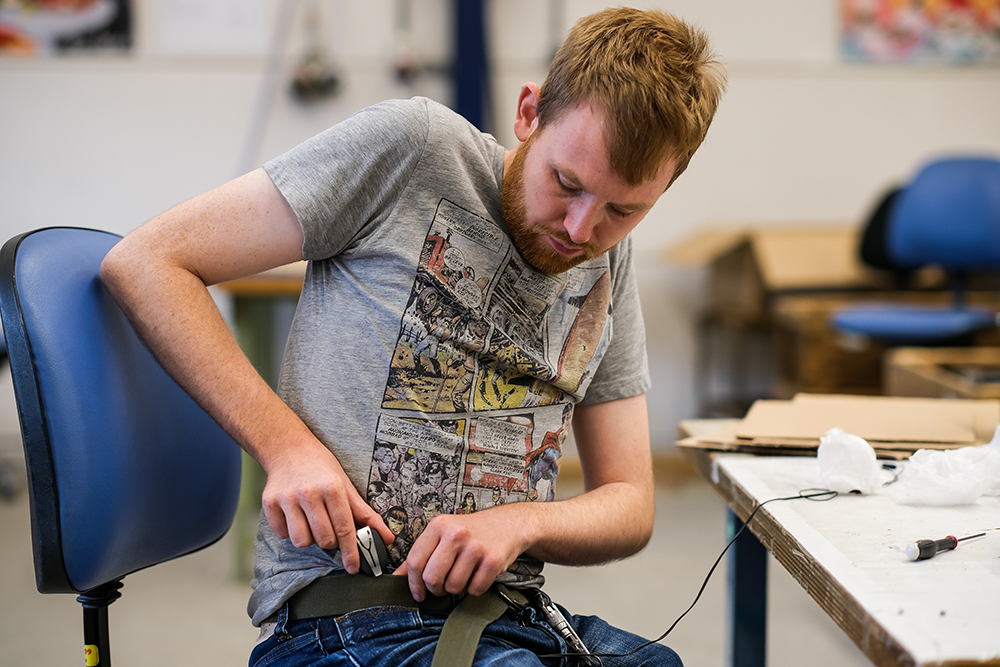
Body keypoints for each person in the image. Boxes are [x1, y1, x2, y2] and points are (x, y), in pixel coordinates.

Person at [100, 6, 725, 666]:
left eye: (622, 210)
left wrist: (521, 523)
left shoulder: (607, 264)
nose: (579, 228)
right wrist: (285, 447)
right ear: (527, 112)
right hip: (347, 616)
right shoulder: (416, 149)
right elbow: (146, 261)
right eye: (565, 183)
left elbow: (630, 501)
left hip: (507, 616)